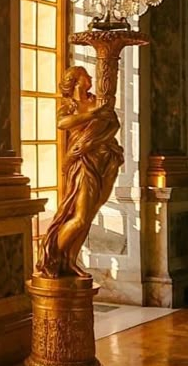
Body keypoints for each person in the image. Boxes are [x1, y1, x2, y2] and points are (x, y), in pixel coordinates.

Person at [38, 65, 124, 277]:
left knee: (91, 213)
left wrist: (98, 138)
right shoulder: (69, 105)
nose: (90, 78)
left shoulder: (97, 100)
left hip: (105, 161)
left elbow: (114, 124)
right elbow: (62, 123)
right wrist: (93, 115)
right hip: (83, 163)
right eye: (86, 75)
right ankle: (50, 257)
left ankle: (70, 261)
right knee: (80, 218)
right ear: (75, 81)